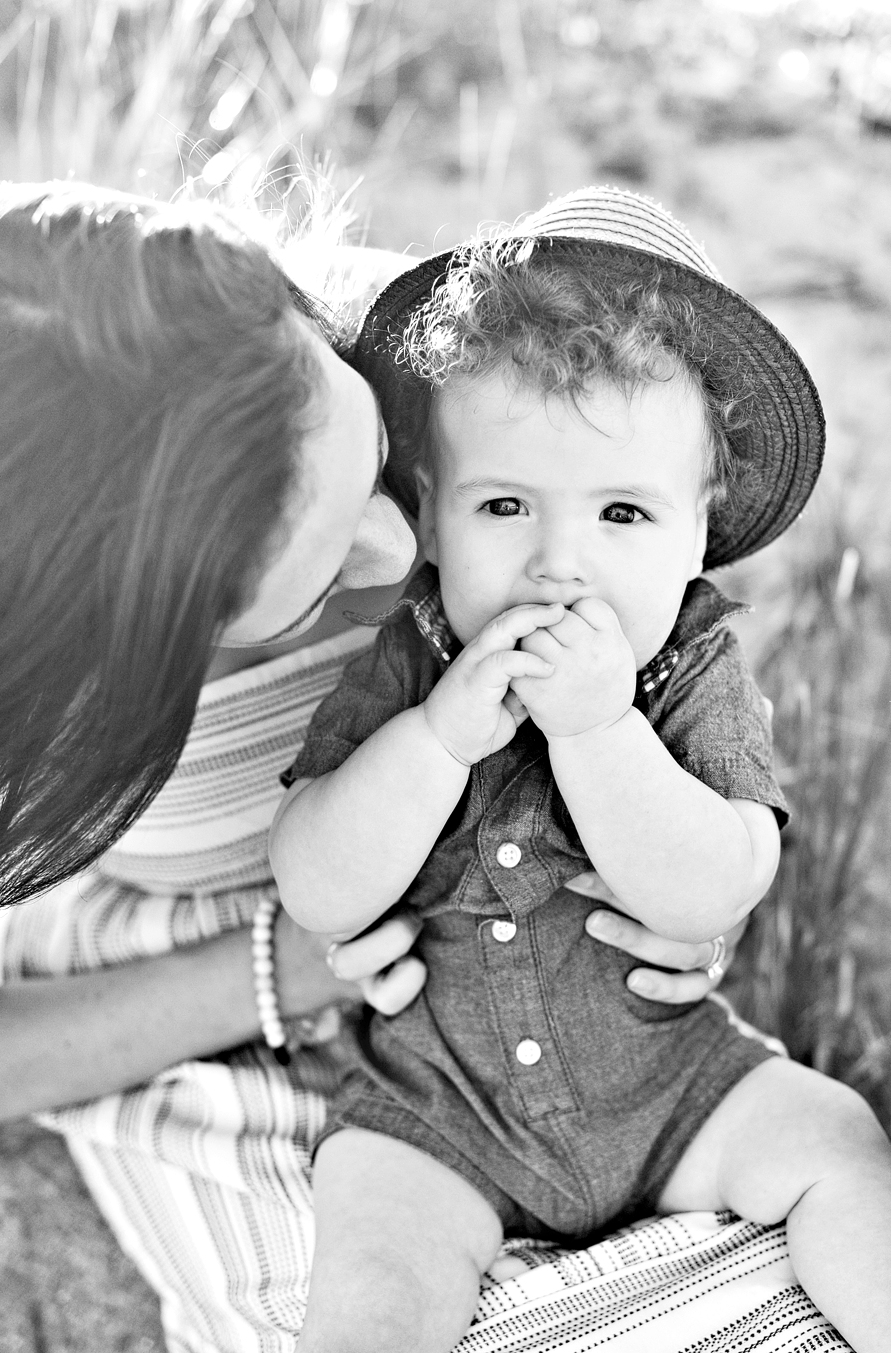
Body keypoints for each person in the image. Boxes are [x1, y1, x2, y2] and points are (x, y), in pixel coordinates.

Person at [0, 180, 761, 1353]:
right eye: (311, 576)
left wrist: (689, 867)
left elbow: (684, 576)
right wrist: (279, 972)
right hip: (253, 1011)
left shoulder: (450, 361)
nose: (406, 549)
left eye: (379, 451)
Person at [270, 187, 891, 1353]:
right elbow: (317, 883)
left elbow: (718, 885)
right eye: (506, 504)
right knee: (371, 1283)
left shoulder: (688, 671)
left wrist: (605, 734)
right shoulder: (416, 661)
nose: (562, 566)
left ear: (699, 533)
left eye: (622, 512)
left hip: (669, 1089)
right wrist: (437, 741)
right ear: (435, 523)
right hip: (436, 1112)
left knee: (837, 1140)